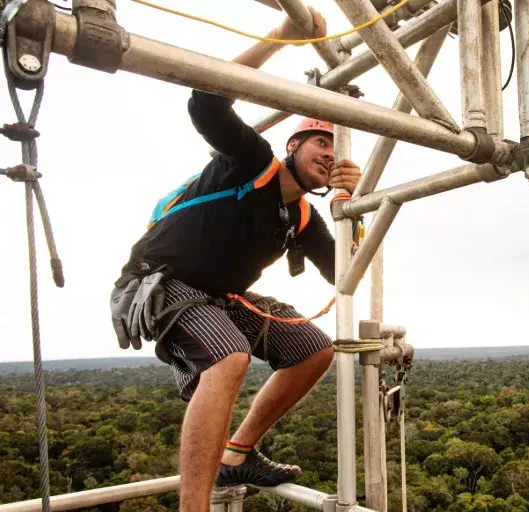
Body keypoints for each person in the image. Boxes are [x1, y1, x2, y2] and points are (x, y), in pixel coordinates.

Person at [110, 9, 360, 511]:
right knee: (229, 357)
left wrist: (349, 213)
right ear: (294, 146)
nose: (329, 154)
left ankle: (237, 454)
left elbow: (346, 275)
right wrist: (281, 36)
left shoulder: (304, 217)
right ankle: (193, 507)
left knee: (314, 349)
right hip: (161, 281)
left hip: (221, 297)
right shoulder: (252, 161)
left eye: (337, 148)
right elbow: (206, 99)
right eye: (320, 141)